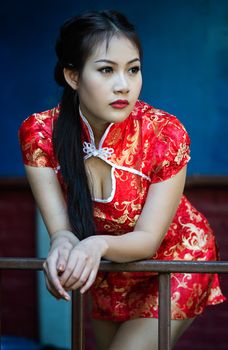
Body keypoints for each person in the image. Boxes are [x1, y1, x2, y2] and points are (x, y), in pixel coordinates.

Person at [19, 10, 225, 350]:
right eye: (106, 70)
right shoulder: (40, 134)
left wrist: (97, 246)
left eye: (133, 69)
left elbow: (146, 239)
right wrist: (62, 246)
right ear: (73, 76)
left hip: (173, 260)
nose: (124, 85)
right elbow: (61, 231)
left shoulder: (165, 133)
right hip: (110, 266)